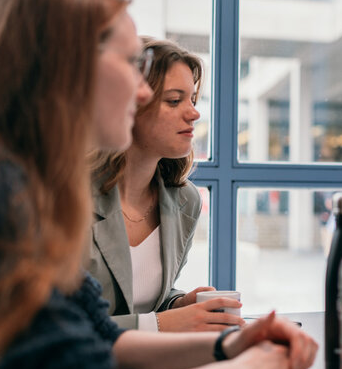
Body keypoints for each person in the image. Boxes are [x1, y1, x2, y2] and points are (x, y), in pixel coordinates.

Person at [0, 0, 318, 369]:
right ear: (66, 65)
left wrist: (227, 345)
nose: (143, 91)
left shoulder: (22, 181)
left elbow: (101, 337)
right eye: (133, 65)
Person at [88, 37, 233, 332]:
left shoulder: (184, 201)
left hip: (147, 366)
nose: (194, 113)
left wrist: (178, 305)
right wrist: (160, 324)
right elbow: (57, 328)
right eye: (174, 101)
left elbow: (138, 300)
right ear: (128, 104)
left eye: (193, 100)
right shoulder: (68, 197)